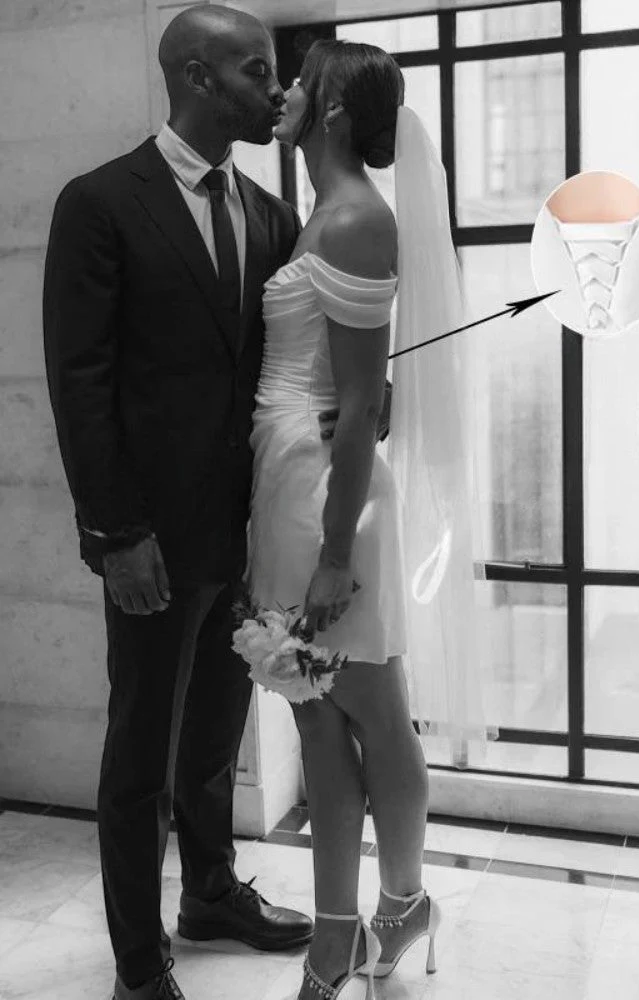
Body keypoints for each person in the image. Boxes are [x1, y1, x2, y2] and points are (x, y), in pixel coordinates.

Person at [42, 7, 318, 999]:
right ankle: (137, 955)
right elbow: (80, 382)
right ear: (197, 76)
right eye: (258, 70)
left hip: (244, 533)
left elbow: (274, 367)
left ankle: (210, 893)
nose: (275, 91)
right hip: (150, 540)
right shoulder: (100, 203)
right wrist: (116, 532)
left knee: (213, 735)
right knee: (142, 753)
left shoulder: (270, 215)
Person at [246, 40, 442, 1000]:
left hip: (335, 502)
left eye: (300, 78)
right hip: (289, 484)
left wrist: (333, 554)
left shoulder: (359, 217)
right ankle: (336, 935)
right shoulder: (317, 217)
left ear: (330, 110)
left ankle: (402, 905)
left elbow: (361, 402)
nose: (282, 90)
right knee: (317, 713)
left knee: (373, 707)